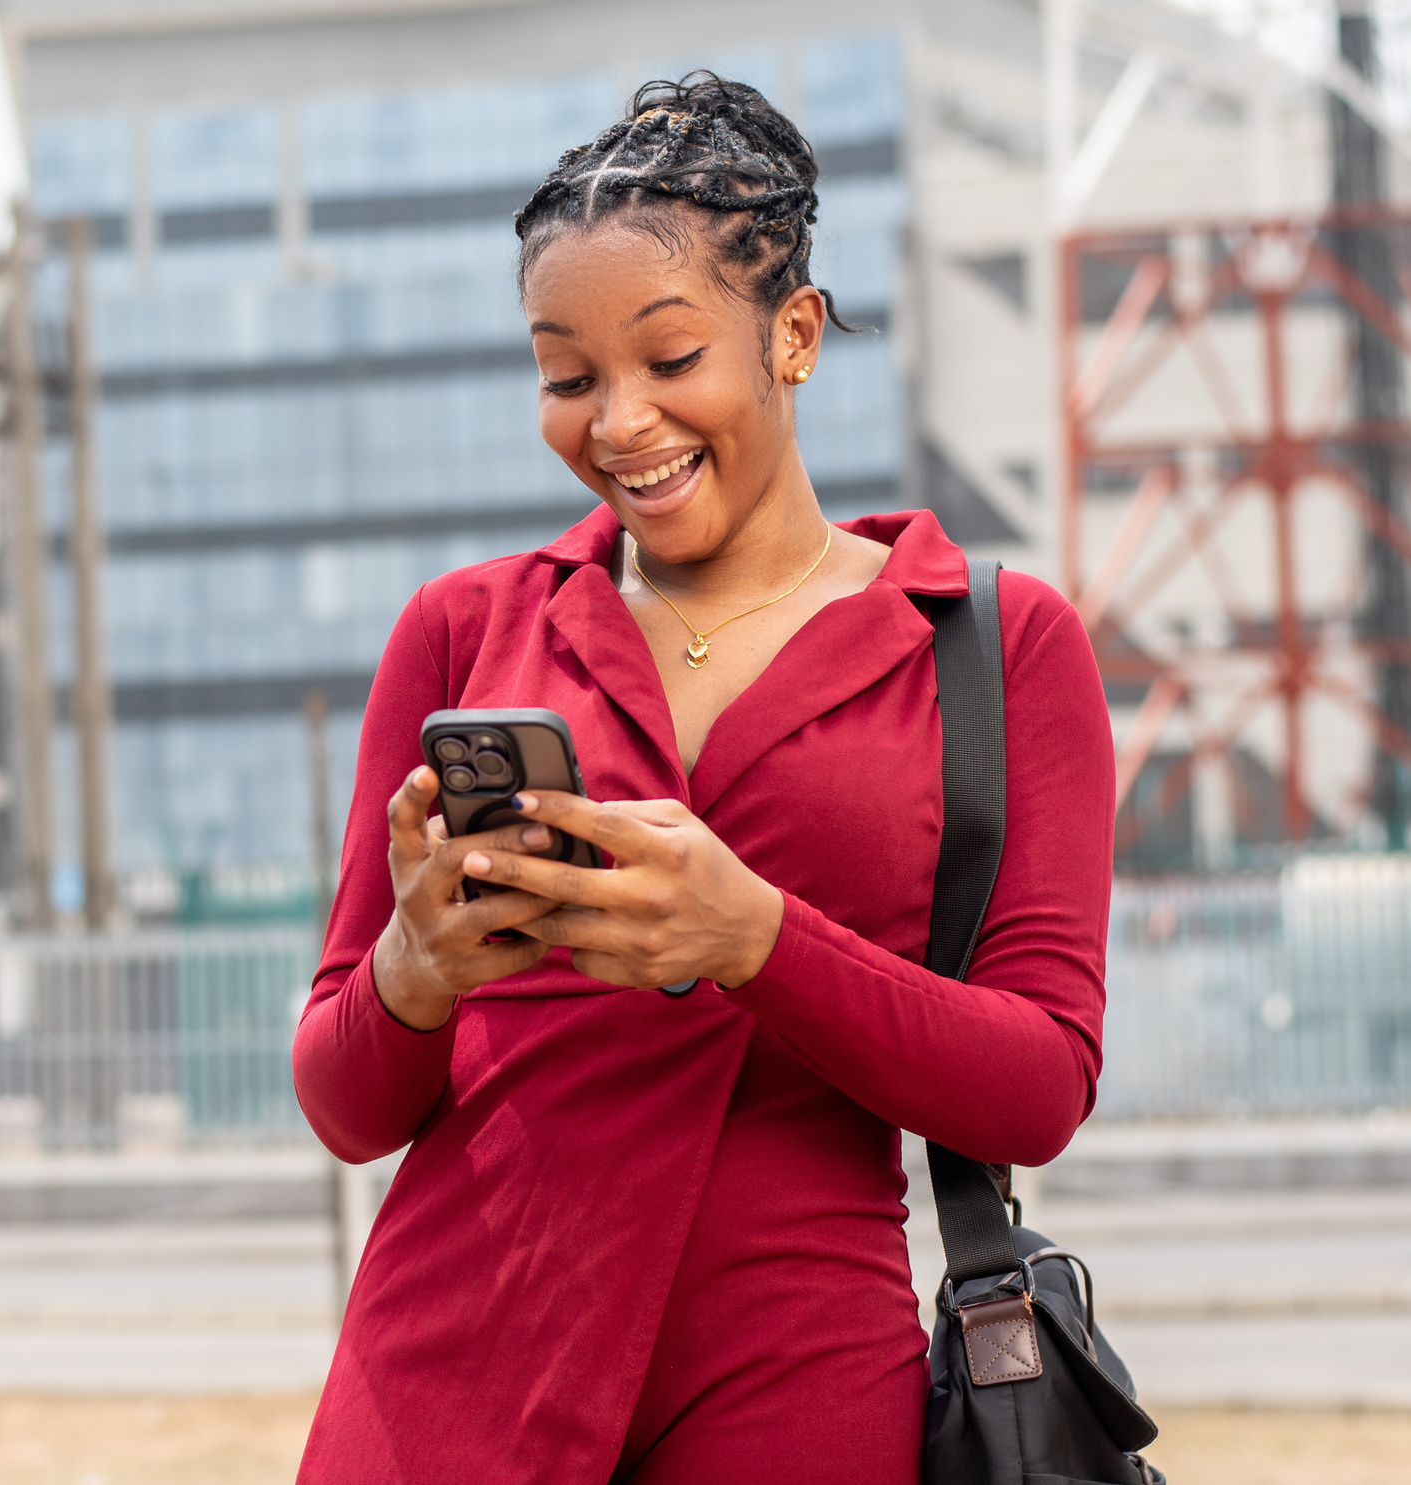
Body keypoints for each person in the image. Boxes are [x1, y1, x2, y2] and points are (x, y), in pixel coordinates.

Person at [292, 75, 1113, 1484]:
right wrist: (415, 970)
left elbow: (1038, 1083)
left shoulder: (990, 643)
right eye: (568, 374)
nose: (620, 421)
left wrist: (757, 940)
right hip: (451, 1378)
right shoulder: (462, 629)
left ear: (793, 334)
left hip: (791, 1381)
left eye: (670, 359)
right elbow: (346, 1103)